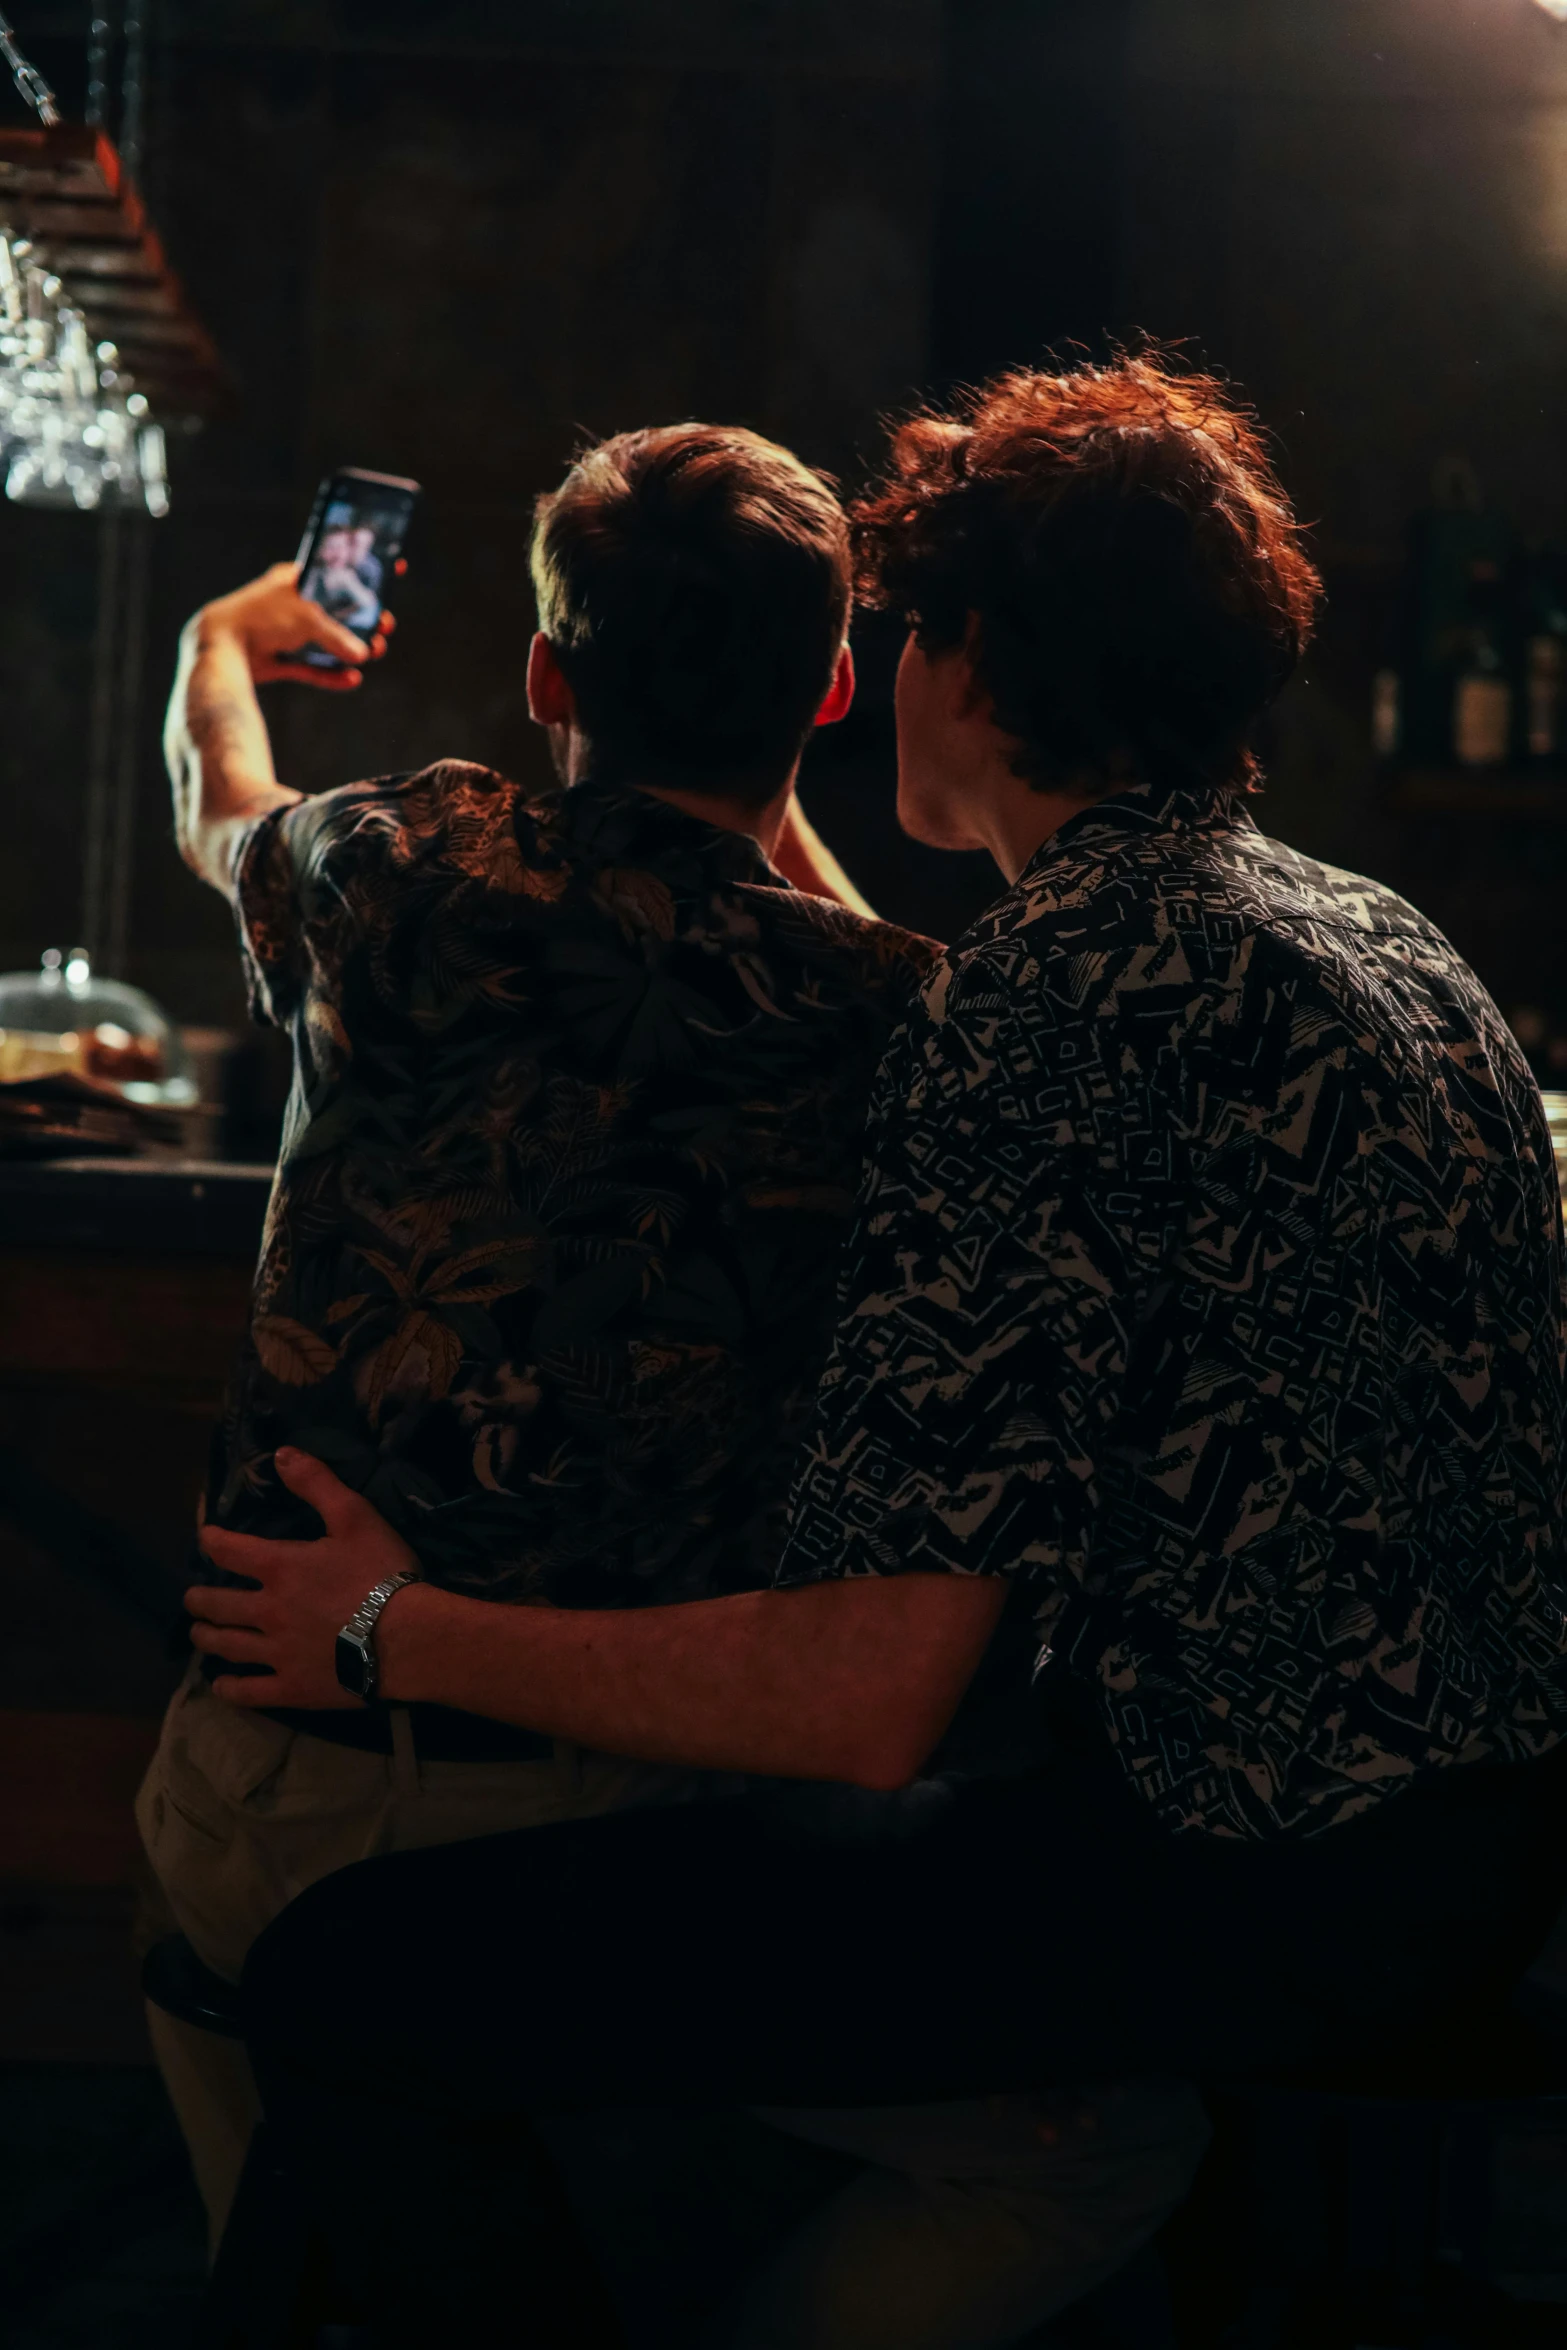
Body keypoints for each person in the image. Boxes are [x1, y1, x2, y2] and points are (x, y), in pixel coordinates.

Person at [198, 354, 1567, 2334]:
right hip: (1471, 1849)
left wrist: (390, 1630)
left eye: (920, 623)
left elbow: (866, 1691)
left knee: (343, 1975)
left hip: (1240, 1881)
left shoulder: (1039, 1009)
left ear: (968, 658)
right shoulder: (1364, 929)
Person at [145, 419, 1204, 2341]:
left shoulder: (387, 864)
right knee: (1081, 2145)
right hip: (648, 1825)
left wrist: (224, 634)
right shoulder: (905, 1020)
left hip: (275, 1797)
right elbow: (873, 965)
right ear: (828, 685)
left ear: (551, 674)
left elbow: (221, 796)